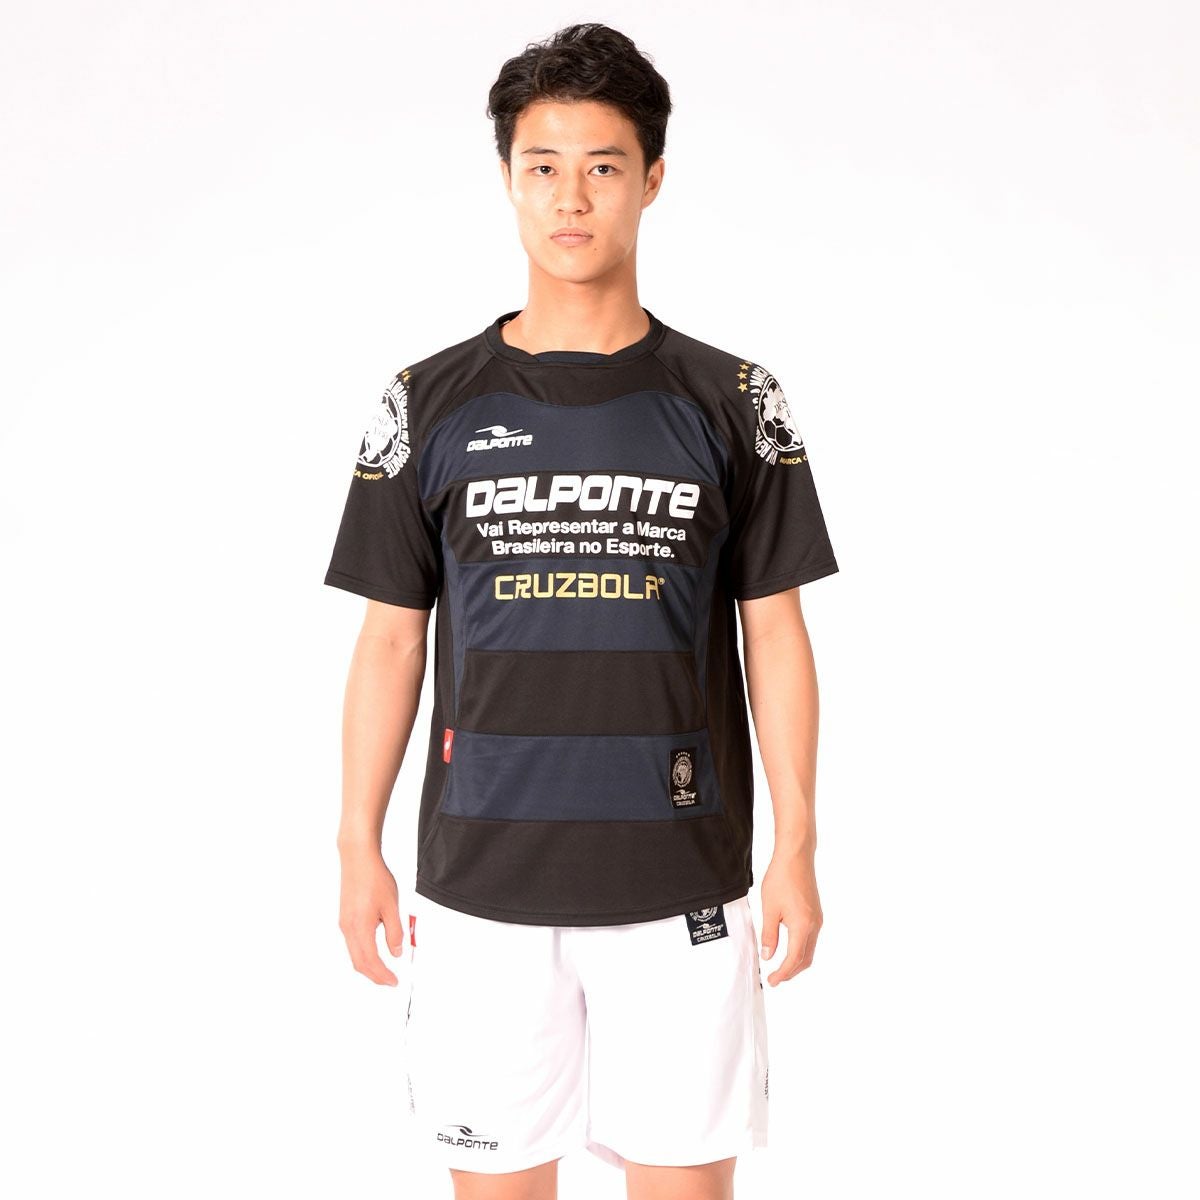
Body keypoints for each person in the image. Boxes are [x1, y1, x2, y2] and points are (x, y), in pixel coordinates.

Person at [323, 22, 839, 1200]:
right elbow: (392, 637)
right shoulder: (424, 404)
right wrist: (356, 844)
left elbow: (775, 631)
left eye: (603, 166)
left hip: (682, 885)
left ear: (652, 178)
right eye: (542, 166)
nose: (571, 197)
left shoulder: (734, 399)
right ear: (507, 178)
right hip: (482, 888)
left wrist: (798, 848)